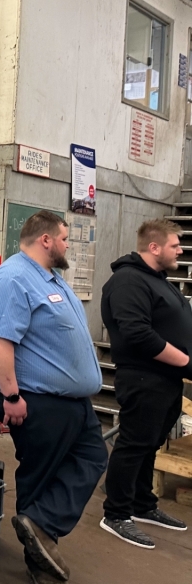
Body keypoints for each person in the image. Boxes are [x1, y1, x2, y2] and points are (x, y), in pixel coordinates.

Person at [0, 210, 107, 584]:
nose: (69, 245)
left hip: (73, 402)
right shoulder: (13, 278)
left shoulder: (51, 278)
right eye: (65, 239)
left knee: (92, 456)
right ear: (46, 240)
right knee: (40, 474)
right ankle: (39, 565)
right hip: (35, 398)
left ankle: (41, 523)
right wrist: (11, 397)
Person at [100, 219, 192, 547]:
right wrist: (187, 363)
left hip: (166, 380)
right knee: (134, 444)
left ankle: (142, 504)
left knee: (150, 444)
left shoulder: (158, 280)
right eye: (174, 245)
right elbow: (138, 334)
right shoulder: (128, 280)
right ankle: (116, 514)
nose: (180, 250)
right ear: (154, 247)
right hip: (143, 378)